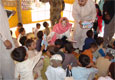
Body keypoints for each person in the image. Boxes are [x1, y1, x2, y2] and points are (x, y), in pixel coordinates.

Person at [0, 1, 15, 80]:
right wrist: (4, 39)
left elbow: (2, 17)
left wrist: (10, 13)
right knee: (6, 64)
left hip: (4, 38)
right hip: (3, 41)